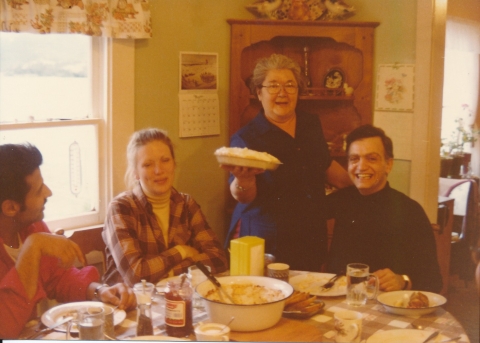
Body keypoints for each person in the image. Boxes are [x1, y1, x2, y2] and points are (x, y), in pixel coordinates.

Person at [222, 54, 352, 271]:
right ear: (259, 93)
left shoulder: (310, 124)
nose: (282, 92)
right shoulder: (246, 139)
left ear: (298, 91)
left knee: (308, 297)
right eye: (273, 86)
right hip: (267, 239)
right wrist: (243, 179)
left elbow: (325, 165)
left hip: (310, 235)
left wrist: (357, 183)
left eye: (290, 85)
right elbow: (242, 196)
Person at [0, 143, 136, 339]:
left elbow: (58, 278)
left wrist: (100, 291)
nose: (48, 192)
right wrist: (32, 248)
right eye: (39, 191)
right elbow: (4, 328)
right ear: (11, 208)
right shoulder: (34, 239)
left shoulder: (32, 227)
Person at [102, 128, 228, 287]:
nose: (159, 170)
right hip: (131, 306)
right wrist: (182, 251)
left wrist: (169, 273)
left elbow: (218, 259)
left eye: (165, 160)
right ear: (135, 173)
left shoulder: (187, 204)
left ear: (174, 163)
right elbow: (136, 275)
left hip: (178, 300)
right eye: (148, 164)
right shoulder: (121, 208)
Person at [326, 124, 443, 293]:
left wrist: (403, 280)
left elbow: (434, 282)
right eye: (354, 159)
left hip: (386, 306)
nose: (361, 166)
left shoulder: (410, 211)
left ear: (388, 165)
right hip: (339, 304)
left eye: (371, 158)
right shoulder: (341, 200)